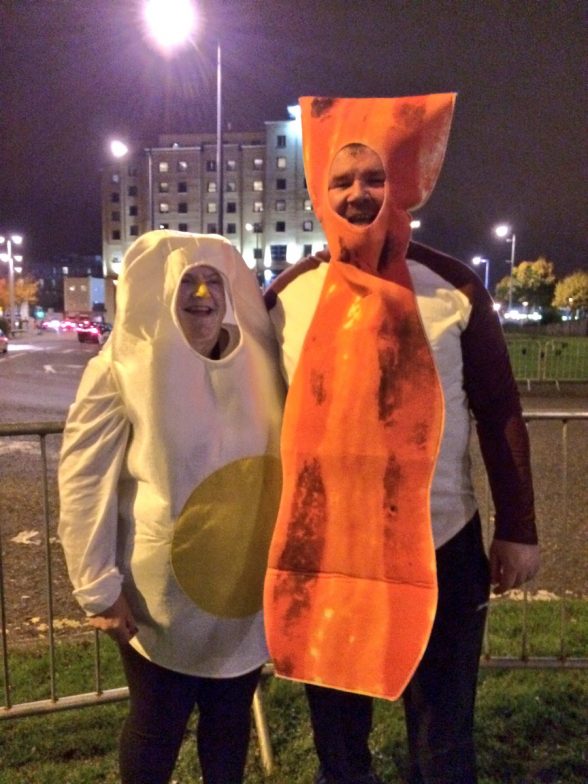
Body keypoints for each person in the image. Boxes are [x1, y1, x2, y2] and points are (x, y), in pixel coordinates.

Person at [263, 95, 540, 784]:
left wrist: (519, 527)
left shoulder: (453, 287)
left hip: (442, 543)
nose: (360, 194)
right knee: (339, 744)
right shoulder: (287, 297)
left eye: (375, 179)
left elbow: (499, 406)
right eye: (343, 180)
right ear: (320, 192)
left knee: (442, 744)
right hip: (330, 555)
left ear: (403, 185)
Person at [58, 231, 284, 784]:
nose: (202, 293)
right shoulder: (123, 365)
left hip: (242, 593)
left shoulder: (260, 361)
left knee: (229, 726)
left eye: (212, 280)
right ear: (163, 289)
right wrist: (97, 586)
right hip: (159, 597)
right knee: (158, 725)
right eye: (187, 280)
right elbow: (85, 477)